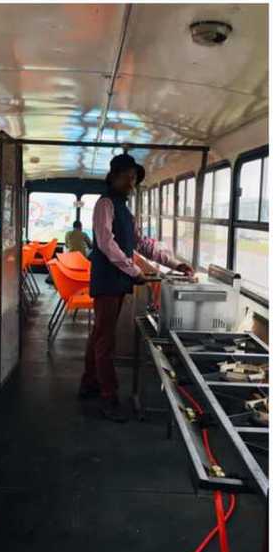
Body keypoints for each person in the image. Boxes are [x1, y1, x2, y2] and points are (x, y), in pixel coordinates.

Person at [80, 154, 193, 423]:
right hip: (108, 281)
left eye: (134, 178)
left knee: (99, 334)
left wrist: (175, 264)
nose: (132, 183)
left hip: (116, 280)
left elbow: (142, 243)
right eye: (128, 177)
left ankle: (89, 383)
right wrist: (134, 271)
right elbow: (106, 243)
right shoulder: (105, 204)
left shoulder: (124, 208)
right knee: (106, 340)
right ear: (114, 176)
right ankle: (109, 397)